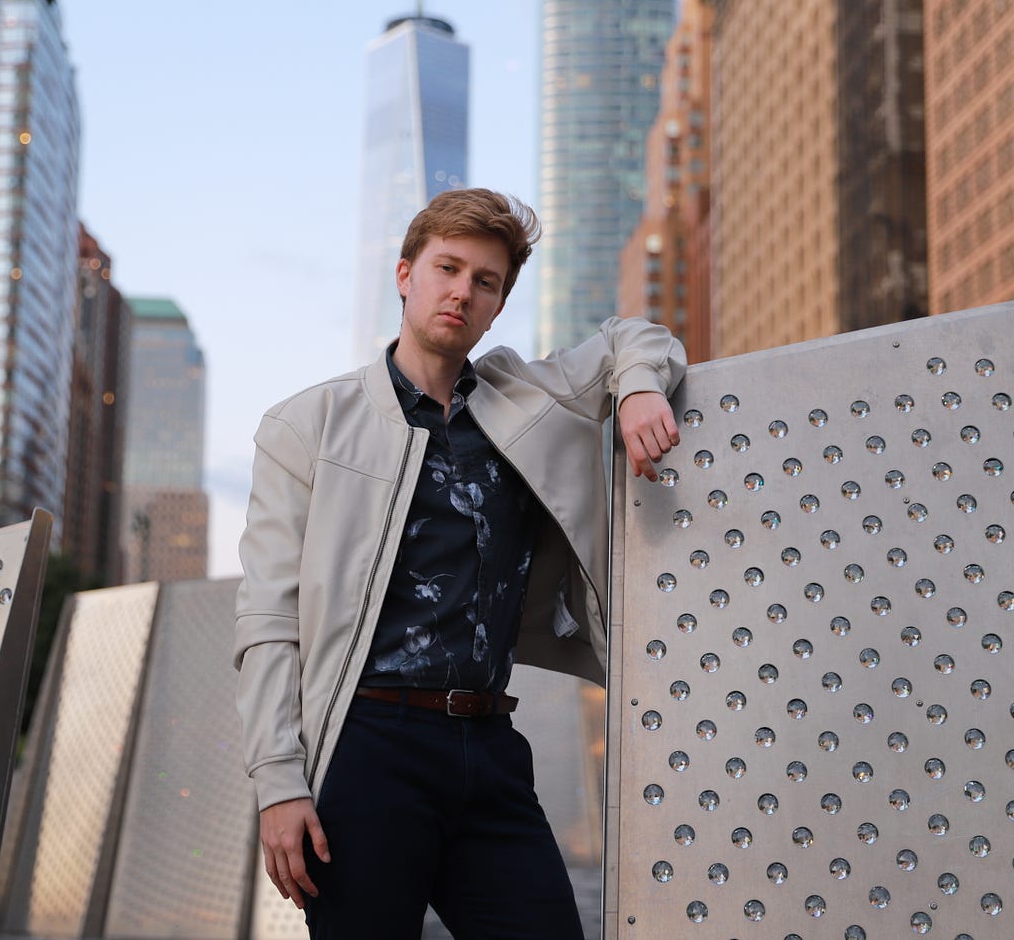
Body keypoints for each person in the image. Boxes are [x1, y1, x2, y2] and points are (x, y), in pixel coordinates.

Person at [234, 188, 686, 938]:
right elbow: (269, 617)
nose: (462, 292)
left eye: (486, 282)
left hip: (490, 746)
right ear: (406, 274)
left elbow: (632, 335)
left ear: (499, 304)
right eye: (448, 268)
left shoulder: (525, 398)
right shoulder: (307, 425)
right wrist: (278, 781)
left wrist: (637, 387)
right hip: (367, 746)